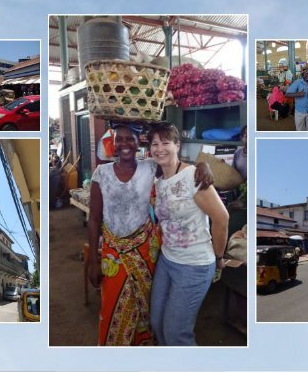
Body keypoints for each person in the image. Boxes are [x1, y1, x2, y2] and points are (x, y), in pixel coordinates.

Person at [88, 123, 213, 346]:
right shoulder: (101, 173)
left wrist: (202, 165)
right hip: (112, 253)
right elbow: (94, 219)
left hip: (146, 252)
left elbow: (176, 167)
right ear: (113, 142)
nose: (124, 144)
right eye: (120, 139)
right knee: (110, 306)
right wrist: (93, 262)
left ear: (139, 142)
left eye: (130, 139)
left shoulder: (149, 168)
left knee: (146, 308)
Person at [148, 122, 229, 346]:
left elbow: (222, 218)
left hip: (194, 265)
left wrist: (219, 256)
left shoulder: (193, 176)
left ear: (177, 145)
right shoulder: (159, 179)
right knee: (156, 322)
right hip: (167, 260)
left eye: (165, 142)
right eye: (154, 144)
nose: (159, 148)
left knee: (176, 334)